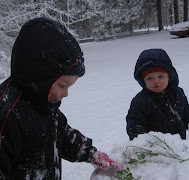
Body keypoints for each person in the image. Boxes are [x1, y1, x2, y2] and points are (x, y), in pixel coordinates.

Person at [0, 17, 123, 180]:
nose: (66, 94)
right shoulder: (7, 115)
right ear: (39, 77)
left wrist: (91, 154)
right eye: (63, 86)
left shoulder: (42, 102)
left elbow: (63, 136)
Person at [126, 49, 189, 140]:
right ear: (143, 81)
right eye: (150, 78)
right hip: (158, 149)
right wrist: (147, 144)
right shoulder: (140, 102)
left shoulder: (178, 94)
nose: (156, 81)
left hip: (181, 144)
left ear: (169, 77)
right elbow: (135, 127)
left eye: (161, 76)